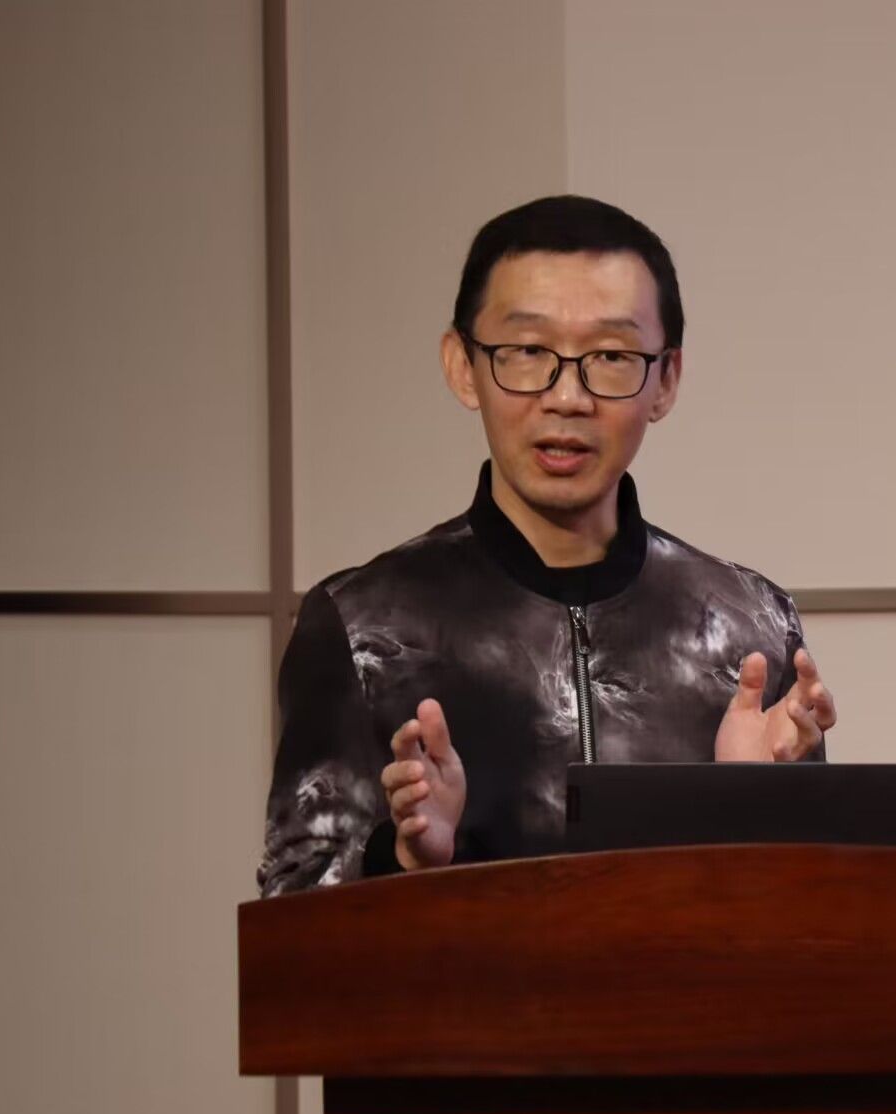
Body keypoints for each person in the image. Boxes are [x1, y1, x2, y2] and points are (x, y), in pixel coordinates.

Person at [257, 195, 837, 896]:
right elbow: (289, 916)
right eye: (529, 352)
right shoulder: (360, 625)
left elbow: (813, 920)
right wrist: (404, 862)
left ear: (666, 380)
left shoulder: (752, 627)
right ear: (463, 366)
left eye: (612, 356)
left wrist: (762, 814)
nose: (567, 397)